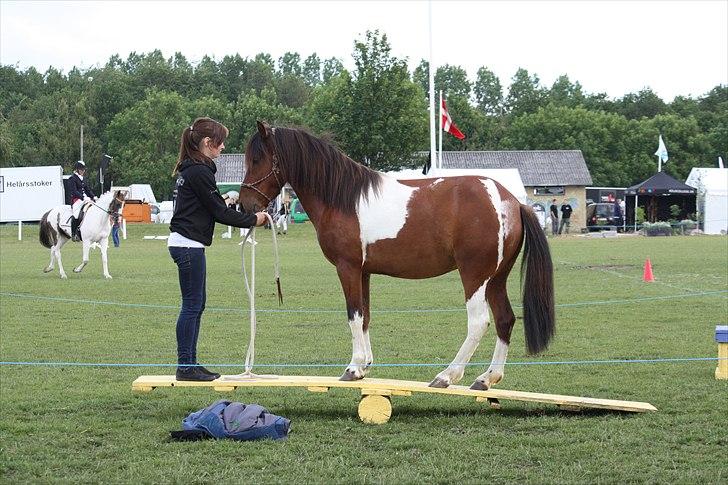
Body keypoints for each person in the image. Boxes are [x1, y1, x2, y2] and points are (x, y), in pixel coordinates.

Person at [169, 117, 268, 382]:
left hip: (187, 244)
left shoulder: (192, 169)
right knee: (192, 305)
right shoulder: (200, 172)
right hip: (188, 246)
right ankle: (186, 366)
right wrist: (253, 219)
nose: (223, 147)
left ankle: (190, 363)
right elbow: (219, 212)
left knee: (196, 304)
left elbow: (210, 207)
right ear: (206, 143)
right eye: (220, 142)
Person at [68, 160, 97, 241]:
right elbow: (74, 191)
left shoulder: (84, 178)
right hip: (77, 200)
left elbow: (87, 189)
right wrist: (82, 197)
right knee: (76, 214)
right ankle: (74, 234)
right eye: (81, 169)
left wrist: (93, 197)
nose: (83, 171)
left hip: (86, 199)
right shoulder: (72, 178)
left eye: (84, 170)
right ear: (77, 169)